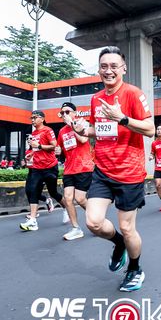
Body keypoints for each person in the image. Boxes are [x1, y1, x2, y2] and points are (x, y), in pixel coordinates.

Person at [72, 46, 154, 292]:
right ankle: (118, 244)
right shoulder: (96, 98)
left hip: (129, 172)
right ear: (99, 70)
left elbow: (150, 129)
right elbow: (99, 131)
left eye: (114, 66)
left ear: (123, 69)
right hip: (103, 170)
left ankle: (135, 269)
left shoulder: (133, 94)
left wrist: (122, 118)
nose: (109, 71)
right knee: (94, 223)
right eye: (104, 66)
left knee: (128, 228)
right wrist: (83, 129)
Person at [19, 110, 64, 231]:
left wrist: (39, 146)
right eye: (31, 118)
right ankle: (33, 220)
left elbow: (54, 146)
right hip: (37, 168)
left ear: (42, 119)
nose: (33, 120)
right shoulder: (33, 133)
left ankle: (66, 209)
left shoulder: (48, 130)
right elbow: (36, 149)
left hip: (50, 167)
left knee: (53, 192)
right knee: (33, 191)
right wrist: (31, 154)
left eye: (35, 117)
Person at [57, 102, 93, 240]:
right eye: (62, 113)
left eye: (67, 112)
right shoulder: (61, 131)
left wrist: (71, 125)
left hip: (83, 166)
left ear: (74, 113)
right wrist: (58, 151)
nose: (64, 115)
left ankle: (96, 217)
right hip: (69, 169)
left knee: (80, 198)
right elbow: (61, 149)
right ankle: (76, 228)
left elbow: (83, 139)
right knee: (68, 198)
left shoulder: (82, 123)